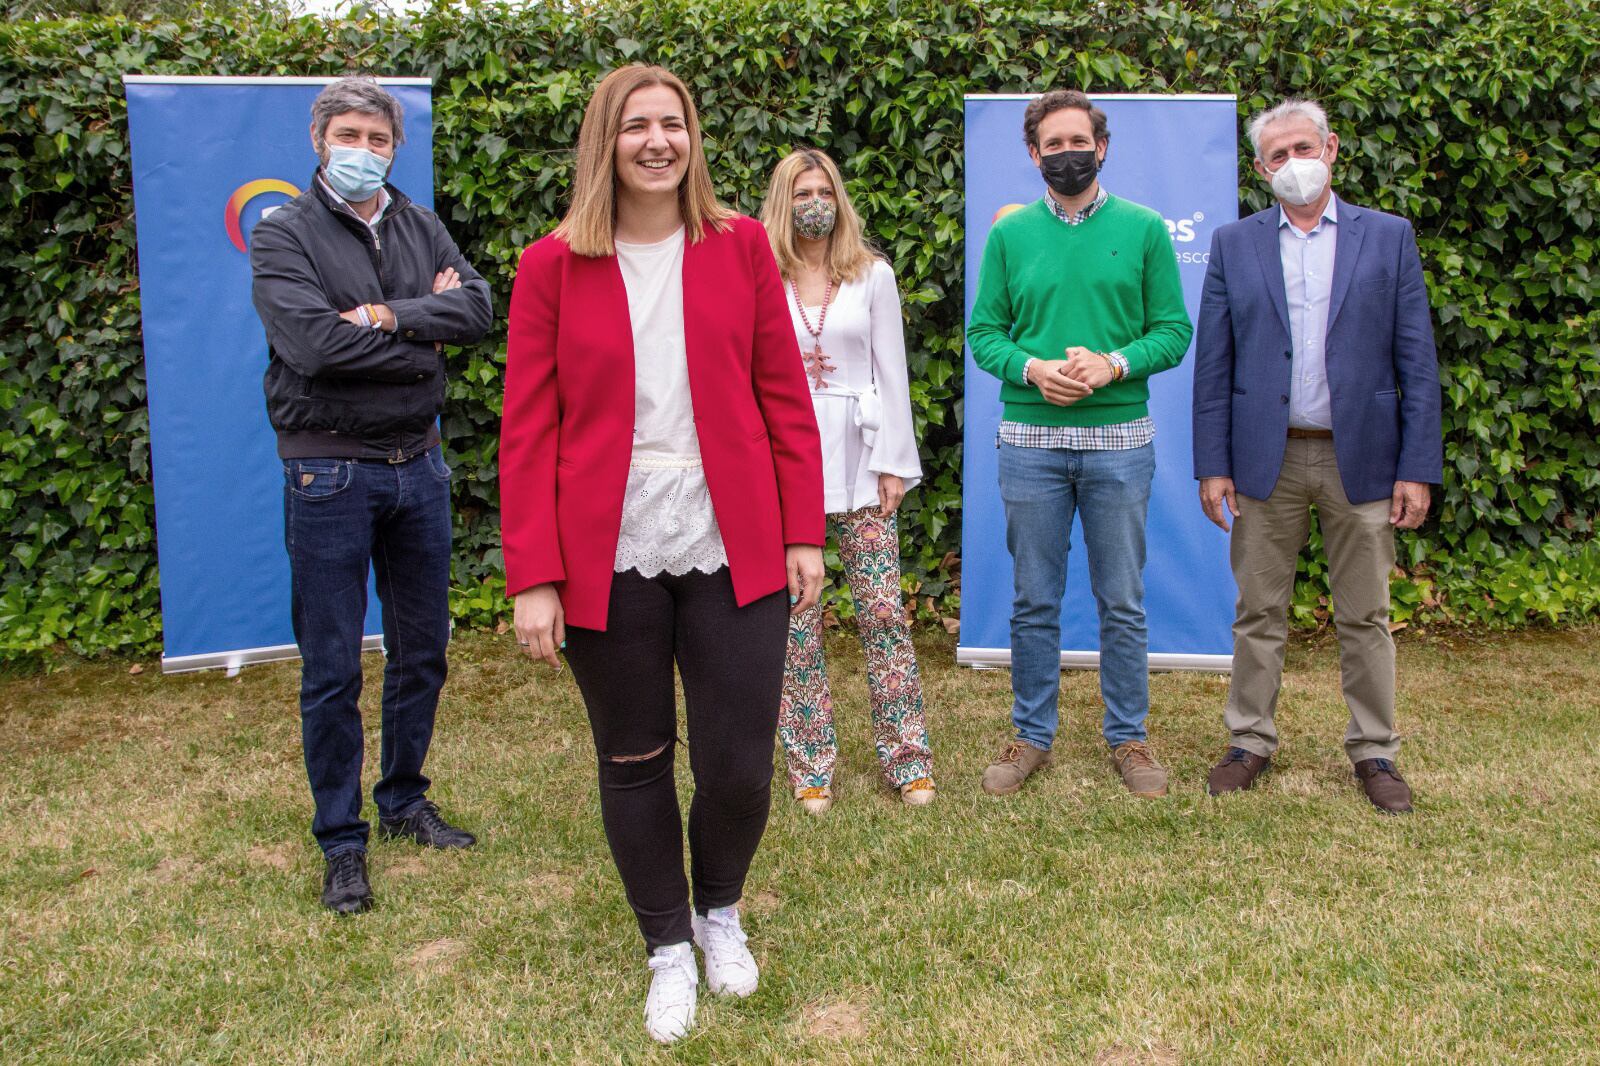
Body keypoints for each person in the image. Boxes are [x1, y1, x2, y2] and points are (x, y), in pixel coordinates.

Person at [499, 65, 824, 1044]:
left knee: (739, 768)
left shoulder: (740, 248)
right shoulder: (550, 265)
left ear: (692, 139)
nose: (656, 141)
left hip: (733, 536)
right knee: (633, 758)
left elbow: (783, 395)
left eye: (671, 123)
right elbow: (527, 428)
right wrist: (533, 575)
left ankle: (718, 909)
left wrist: (803, 529)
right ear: (605, 141)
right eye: (635, 125)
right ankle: (667, 946)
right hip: (606, 546)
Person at [249, 76, 493, 914]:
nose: (364, 150)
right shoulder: (283, 233)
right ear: (320, 141)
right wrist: (425, 329)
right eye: (348, 135)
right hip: (329, 470)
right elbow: (313, 347)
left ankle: (403, 799)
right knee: (331, 667)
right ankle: (340, 840)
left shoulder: (420, 224)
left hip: (417, 465)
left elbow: (478, 311)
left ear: (395, 147)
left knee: (421, 650)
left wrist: (384, 318)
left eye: (378, 138)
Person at [1192, 98, 1442, 814]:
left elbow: (1417, 360)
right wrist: (1213, 463)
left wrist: (1416, 466)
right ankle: (1249, 740)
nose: (1293, 163)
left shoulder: (1388, 236)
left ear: (1330, 150)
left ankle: (1375, 750)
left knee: (1366, 614)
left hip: (1362, 458)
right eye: (1278, 155)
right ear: (1260, 168)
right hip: (1264, 459)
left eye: (1304, 147)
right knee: (1257, 611)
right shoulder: (1233, 244)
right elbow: (1215, 364)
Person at [966, 90, 1193, 799]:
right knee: (1034, 600)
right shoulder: (1010, 235)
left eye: (1079, 141)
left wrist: (1114, 364)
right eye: (1053, 144)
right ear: (1034, 154)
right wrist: (1031, 369)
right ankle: (1030, 736)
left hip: (1120, 442)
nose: (1068, 154)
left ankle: (1129, 738)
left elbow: (1173, 331)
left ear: (1102, 147)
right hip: (1029, 443)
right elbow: (984, 335)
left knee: (1121, 600)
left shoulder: (1144, 228)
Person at [757, 148, 935, 814]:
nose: (815, 204)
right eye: (802, 193)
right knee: (796, 619)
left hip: (863, 457)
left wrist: (895, 462)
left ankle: (908, 758)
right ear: (783, 202)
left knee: (883, 612)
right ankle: (810, 765)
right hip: (786, 462)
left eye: (825, 191)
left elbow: (892, 371)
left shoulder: (872, 275)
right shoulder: (760, 275)